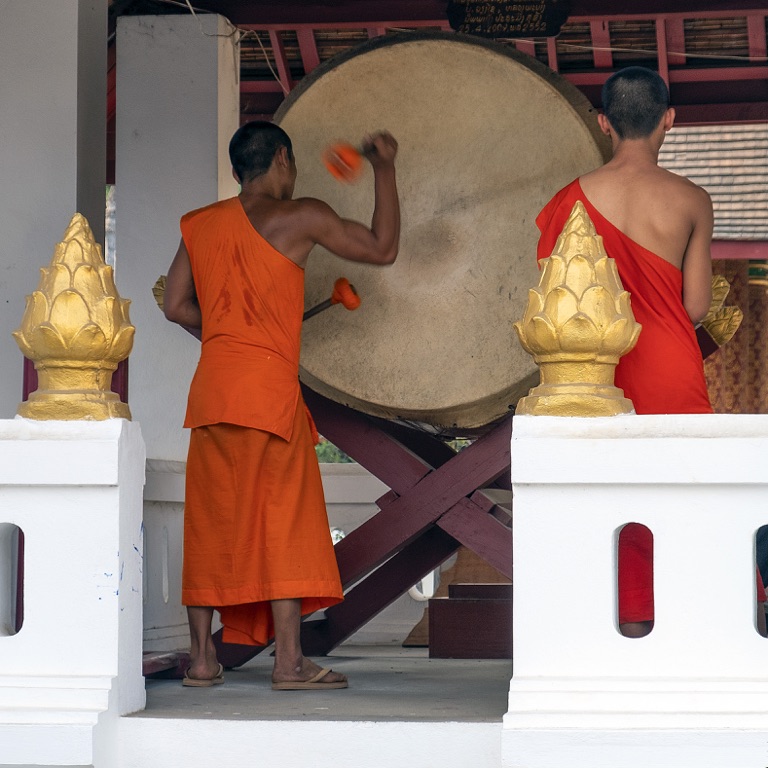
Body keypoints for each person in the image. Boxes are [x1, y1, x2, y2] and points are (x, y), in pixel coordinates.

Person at [163, 121, 399, 688]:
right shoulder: (299, 216)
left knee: (213, 524)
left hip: (214, 392)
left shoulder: (199, 225)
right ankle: (289, 662)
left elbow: (174, 305)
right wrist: (385, 168)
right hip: (268, 395)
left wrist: (230, 332)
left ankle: (201, 660)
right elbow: (381, 248)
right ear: (283, 161)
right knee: (285, 524)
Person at [535, 66, 716, 639]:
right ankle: (682, 621)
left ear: (604, 123)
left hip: (588, 375)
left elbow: (553, 299)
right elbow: (696, 307)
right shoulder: (691, 200)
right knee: (679, 492)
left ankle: (607, 624)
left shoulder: (567, 201)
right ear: (669, 119)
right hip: (668, 363)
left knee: (596, 493)